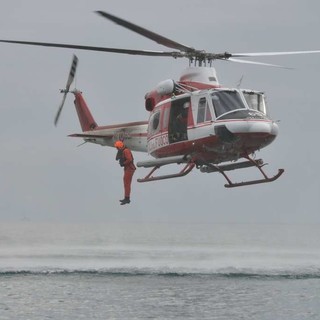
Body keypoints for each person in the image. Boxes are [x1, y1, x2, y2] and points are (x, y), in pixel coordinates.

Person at [114, 140, 136, 205]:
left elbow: (129, 159)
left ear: (119, 147)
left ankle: (127, 198)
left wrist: (123, 163)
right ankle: (126, 198)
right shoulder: (124, 150)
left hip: (129, 169)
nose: (116, 149)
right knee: (126, 183)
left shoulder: (126, 151)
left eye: (117, 147)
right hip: (127, 169)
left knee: (127, 183)